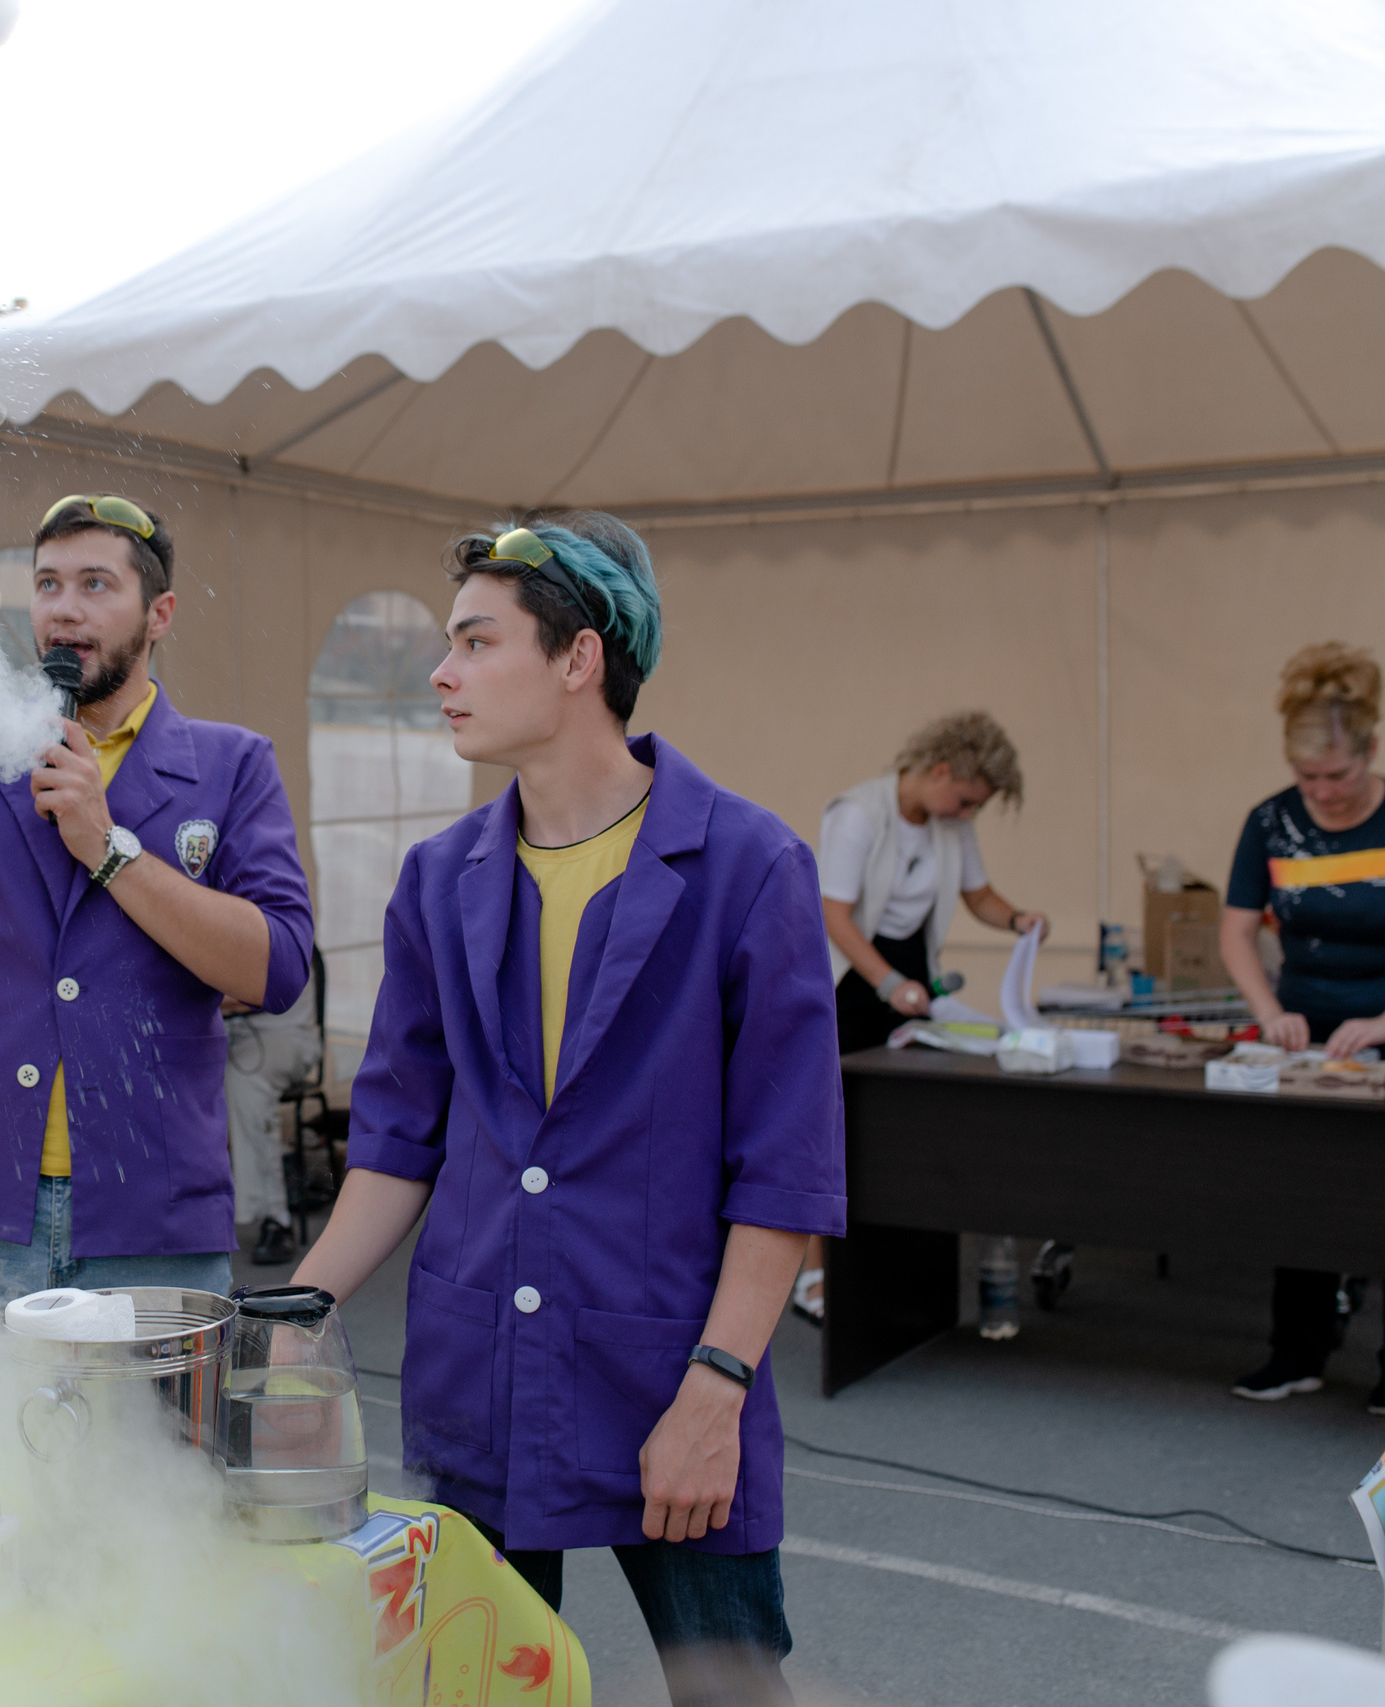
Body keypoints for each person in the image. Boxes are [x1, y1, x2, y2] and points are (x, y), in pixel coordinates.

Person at [292, 512, 842, 1706]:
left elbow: (787, 1171)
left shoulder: (750, 867)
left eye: (476, 641)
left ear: (579, 658)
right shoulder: (435, 881)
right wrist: (293, 1311)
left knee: (732, 1692)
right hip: (480, 1362)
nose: (441, 673)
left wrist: (717, 1388)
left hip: (673, 1368)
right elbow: (397, 1139)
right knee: (478, 1688)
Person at [0, 495, 313, 1322]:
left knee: (150, 1422)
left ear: (160, 614)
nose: (64, 608)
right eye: (47, 583)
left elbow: (277, 967)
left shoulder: (234, 763)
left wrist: (107, 846)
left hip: (153, 1215)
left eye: (95, 583)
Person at [799, 712, 1047, 1326]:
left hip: (910, 977)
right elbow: (833, 915)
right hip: (851, 980)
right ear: (940, 772)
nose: (967, 814)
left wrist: (1019, 920)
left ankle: (893, 1262)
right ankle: (814, 1275)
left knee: (901, 1122)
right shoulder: (858, 815)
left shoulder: (950, 823)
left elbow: (978, 895)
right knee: (832, 1130)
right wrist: (888, 983)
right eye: (966, 800)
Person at [1219, 642, 1385, 1411]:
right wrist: (1270, 1012)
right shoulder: (1270, 821)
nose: (1322, 792)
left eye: (1338, 776)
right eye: (1308, 776)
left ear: (1370, 753)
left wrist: (1378, 1023)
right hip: (1304, 1030)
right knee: (1301, 1189)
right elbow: (1236, 931)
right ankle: (1297, 1352)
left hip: (1379, 1026)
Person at [225, 975, 323, 1267]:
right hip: (228, 1033)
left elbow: (257, 989)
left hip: (282, 1033)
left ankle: (276, 1218)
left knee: (245, 1081)